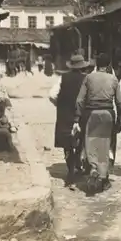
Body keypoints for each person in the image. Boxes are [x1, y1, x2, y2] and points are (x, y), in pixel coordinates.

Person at [72, 53, 121, 194]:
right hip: (107, 114)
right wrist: (120, 119)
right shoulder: (114, 79)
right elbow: (120, 103)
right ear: (108, 65)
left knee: (90, 143)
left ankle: (93, 168)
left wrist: (77, 118)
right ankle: (103, 176)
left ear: (96, 64)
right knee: (105, 144)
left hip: (91, 114)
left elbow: (79, 100)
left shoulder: (88, 78)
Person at [49, 54, 90, 190]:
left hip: (65, 115)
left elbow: (52, 95)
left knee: (67, 143)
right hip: (81, 115)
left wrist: (60, 105)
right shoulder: (86, 79)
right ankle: (76, 165)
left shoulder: (63, 78)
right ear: (83, 67)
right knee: (79, 141)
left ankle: (71, 169)